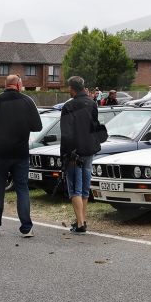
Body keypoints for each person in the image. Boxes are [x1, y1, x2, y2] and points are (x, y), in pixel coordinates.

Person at [0, 75, 42, 237]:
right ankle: (26, 228)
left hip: (0, 153)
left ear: (5, 85)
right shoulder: (27, 101)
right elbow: (37, 126)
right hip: (20, 153)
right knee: (22, 189)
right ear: (18, 84)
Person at [60, 76, 101, 233]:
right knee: (84, 188)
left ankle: (80, 223)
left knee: (75, 190)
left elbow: (67, 133)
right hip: (89, 150)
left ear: (71, 88)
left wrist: (67, 154)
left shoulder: (69, 106)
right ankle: (81, 221)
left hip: (74, 153)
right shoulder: (92, 103)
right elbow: (95, 127)